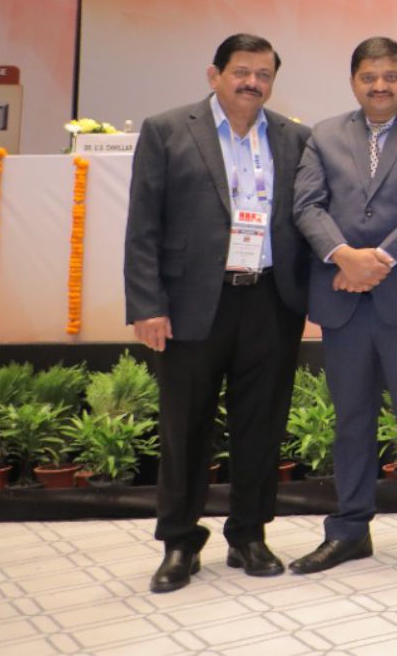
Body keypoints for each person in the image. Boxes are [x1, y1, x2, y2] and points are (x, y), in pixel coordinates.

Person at [124, 33, 312, 592]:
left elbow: (307, 218)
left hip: (271, 299)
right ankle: (180, 541)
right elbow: (143, 224)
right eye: (241, 72)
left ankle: (249, 534)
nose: (253, 83)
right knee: (185, 426)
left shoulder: (294, 138)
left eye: (264, 74)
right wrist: (147, 304)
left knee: (261, 423)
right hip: (190, 304)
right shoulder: (166, 130)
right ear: (215, 75)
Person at [287, 37, 397, 574]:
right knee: (351, 422)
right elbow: (307, 205)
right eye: (369, 77)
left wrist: (376, 261)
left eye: (390, 76)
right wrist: (344, 256)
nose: (380, 86)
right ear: (353, 81)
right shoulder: (323, 135)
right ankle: (349, 531)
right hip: (343, 303)